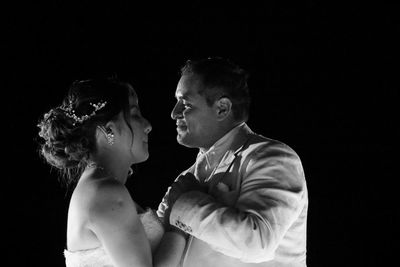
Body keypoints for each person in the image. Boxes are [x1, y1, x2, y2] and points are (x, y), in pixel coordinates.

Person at [157, 57, 308, 267]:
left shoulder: (272, 158)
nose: (174, 113)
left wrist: (184, 204)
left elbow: (258, 243)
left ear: (222, 108)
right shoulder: (186, 178)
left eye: (186, 103)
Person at [37, 77, 186, 267]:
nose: (148, 125)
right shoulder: (104, 193)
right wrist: (181, 219)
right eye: (135, 114)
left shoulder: (101, 188)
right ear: (109, 130)